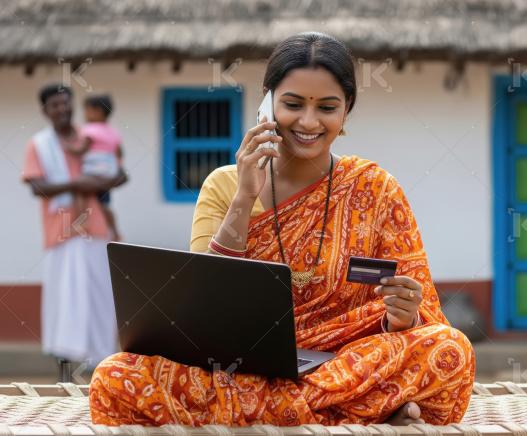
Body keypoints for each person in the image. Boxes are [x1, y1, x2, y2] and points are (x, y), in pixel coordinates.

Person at [89, 32, 475, 426]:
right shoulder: (223, 185)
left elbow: (418, 317)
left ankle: (278, 413)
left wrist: (402, 319)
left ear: (347, 111)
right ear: (267, 103)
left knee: (450, 350)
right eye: (292, 104)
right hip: (237, 369)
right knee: (114, 377)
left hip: (344, 363)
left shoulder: (375, 189)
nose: (309, 122)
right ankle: (360, 412)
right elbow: (201, 308)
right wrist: (244, 197)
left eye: (327, 107)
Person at [21, 84, 127, 370]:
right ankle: (65, 370)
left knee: (100, 298)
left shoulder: (89, 135)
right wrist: (77, 184)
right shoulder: (39, 144)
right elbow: (37, 186)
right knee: (65, 301)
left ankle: (102, 366)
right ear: (45, 110)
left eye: (66, 103)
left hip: (96, 228)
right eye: (55, 105)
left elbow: (119, 173)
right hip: (62, 233)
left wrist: (99, 182)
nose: (62, 109)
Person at [65, 95, 123, 241]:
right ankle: (115, 231)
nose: (85, 114)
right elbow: (119, 153)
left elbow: (82, 149)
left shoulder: (90, 129)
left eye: (87, 110)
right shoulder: (113, 132)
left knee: (78, 188)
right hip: (109, 172)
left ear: (97, 111)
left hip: (95, 170)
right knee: (105, 205)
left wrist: (69, 148)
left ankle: (81, 221)